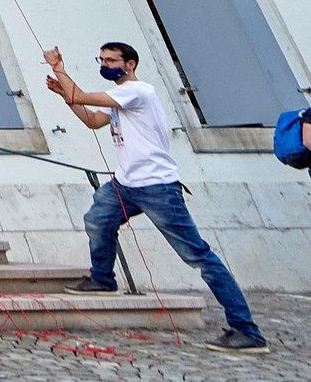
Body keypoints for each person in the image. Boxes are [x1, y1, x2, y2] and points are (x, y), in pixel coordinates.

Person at [45, 42, 268, 354]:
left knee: (199, 257)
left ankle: (247, 331)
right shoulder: (119, 99)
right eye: (102, 59)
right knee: (97, 220)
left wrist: (58, 67)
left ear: (131, 64)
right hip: (125, 185)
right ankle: (103, 279)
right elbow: (92, 120)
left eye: (112, 60)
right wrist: (64, 97)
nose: (106, 63)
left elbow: (79, 95)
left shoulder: (138, 92)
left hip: (158, 188)